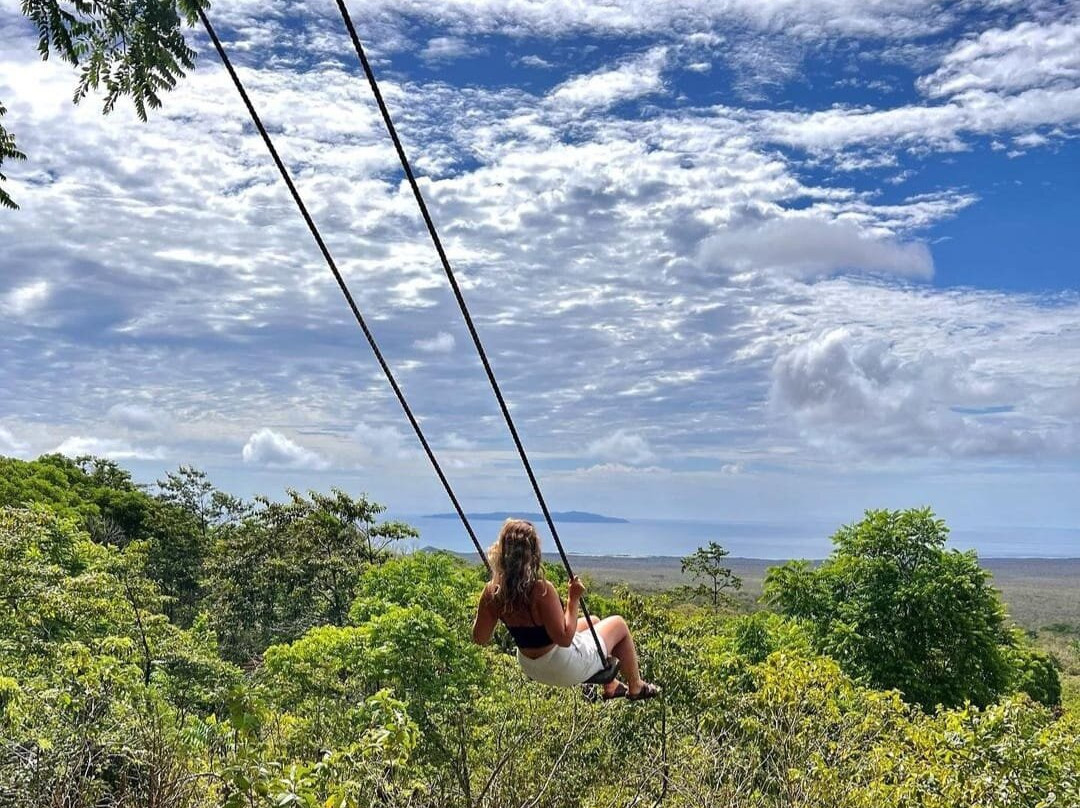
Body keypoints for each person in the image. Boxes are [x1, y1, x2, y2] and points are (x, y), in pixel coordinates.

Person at [472, 518, 660, 700]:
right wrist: (573, 599)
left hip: (530, 665)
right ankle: (636, 686)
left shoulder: (493, 592)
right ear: (533, 555)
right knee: (618, 624)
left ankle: (610, 686)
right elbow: (564, 638)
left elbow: (480, 638)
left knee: (593, 622)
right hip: (561, 666)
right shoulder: (541, 591)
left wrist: (499, 609)